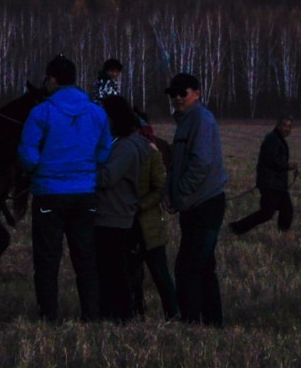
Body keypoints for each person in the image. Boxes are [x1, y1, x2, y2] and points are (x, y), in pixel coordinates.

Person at [19, 54, 113, 321]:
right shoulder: (96, 112)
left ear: (51, 80)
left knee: (47, 261)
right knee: (86, 259)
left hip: (49, 192)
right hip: (85, 192)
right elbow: (105, 150)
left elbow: (27, 153)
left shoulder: (41, 112)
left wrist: (40, 168)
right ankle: (92, 315)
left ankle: (49, 317)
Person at [164, 71, 227, 326]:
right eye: (173, 94)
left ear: (196, 93)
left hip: (206, 204)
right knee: (199, 266)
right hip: (193, 206)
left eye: (183, 93)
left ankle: (194, 321)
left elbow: (201, 164)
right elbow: (177, 164)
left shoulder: (201, 119)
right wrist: (169, 192)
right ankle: (209, 322)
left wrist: (180, 193)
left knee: (192, 267)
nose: (178, 98)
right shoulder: (185, 121)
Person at [94, 99, 150, 320]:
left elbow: (108, 177)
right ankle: (113, 313)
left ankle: (121, 316)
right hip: (113, 214)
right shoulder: (122, 143)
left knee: (115, 271)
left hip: (115, 216)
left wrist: (77, 174)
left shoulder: (126, 146)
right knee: (110, 270)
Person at [133, 113, 179, 320]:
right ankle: (136, 310)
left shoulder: (152, 154)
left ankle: (172, 313)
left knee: (159, 272)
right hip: (133, 223)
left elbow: (159, 188)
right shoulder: (123, 151)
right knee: (133, 273)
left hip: (147, 224)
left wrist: (138, 206)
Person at [229, 118, 297, 235]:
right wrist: (287, 166)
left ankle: (282, 234)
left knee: (285, 210)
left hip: (276, 184)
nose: (287, 129)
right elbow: (271, 160)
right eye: (285, 126)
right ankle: (236, 227)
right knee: (267, 213)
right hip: (270, 184)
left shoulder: (277, 139)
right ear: (278, 126)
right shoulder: (272, 139)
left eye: (290, 127)